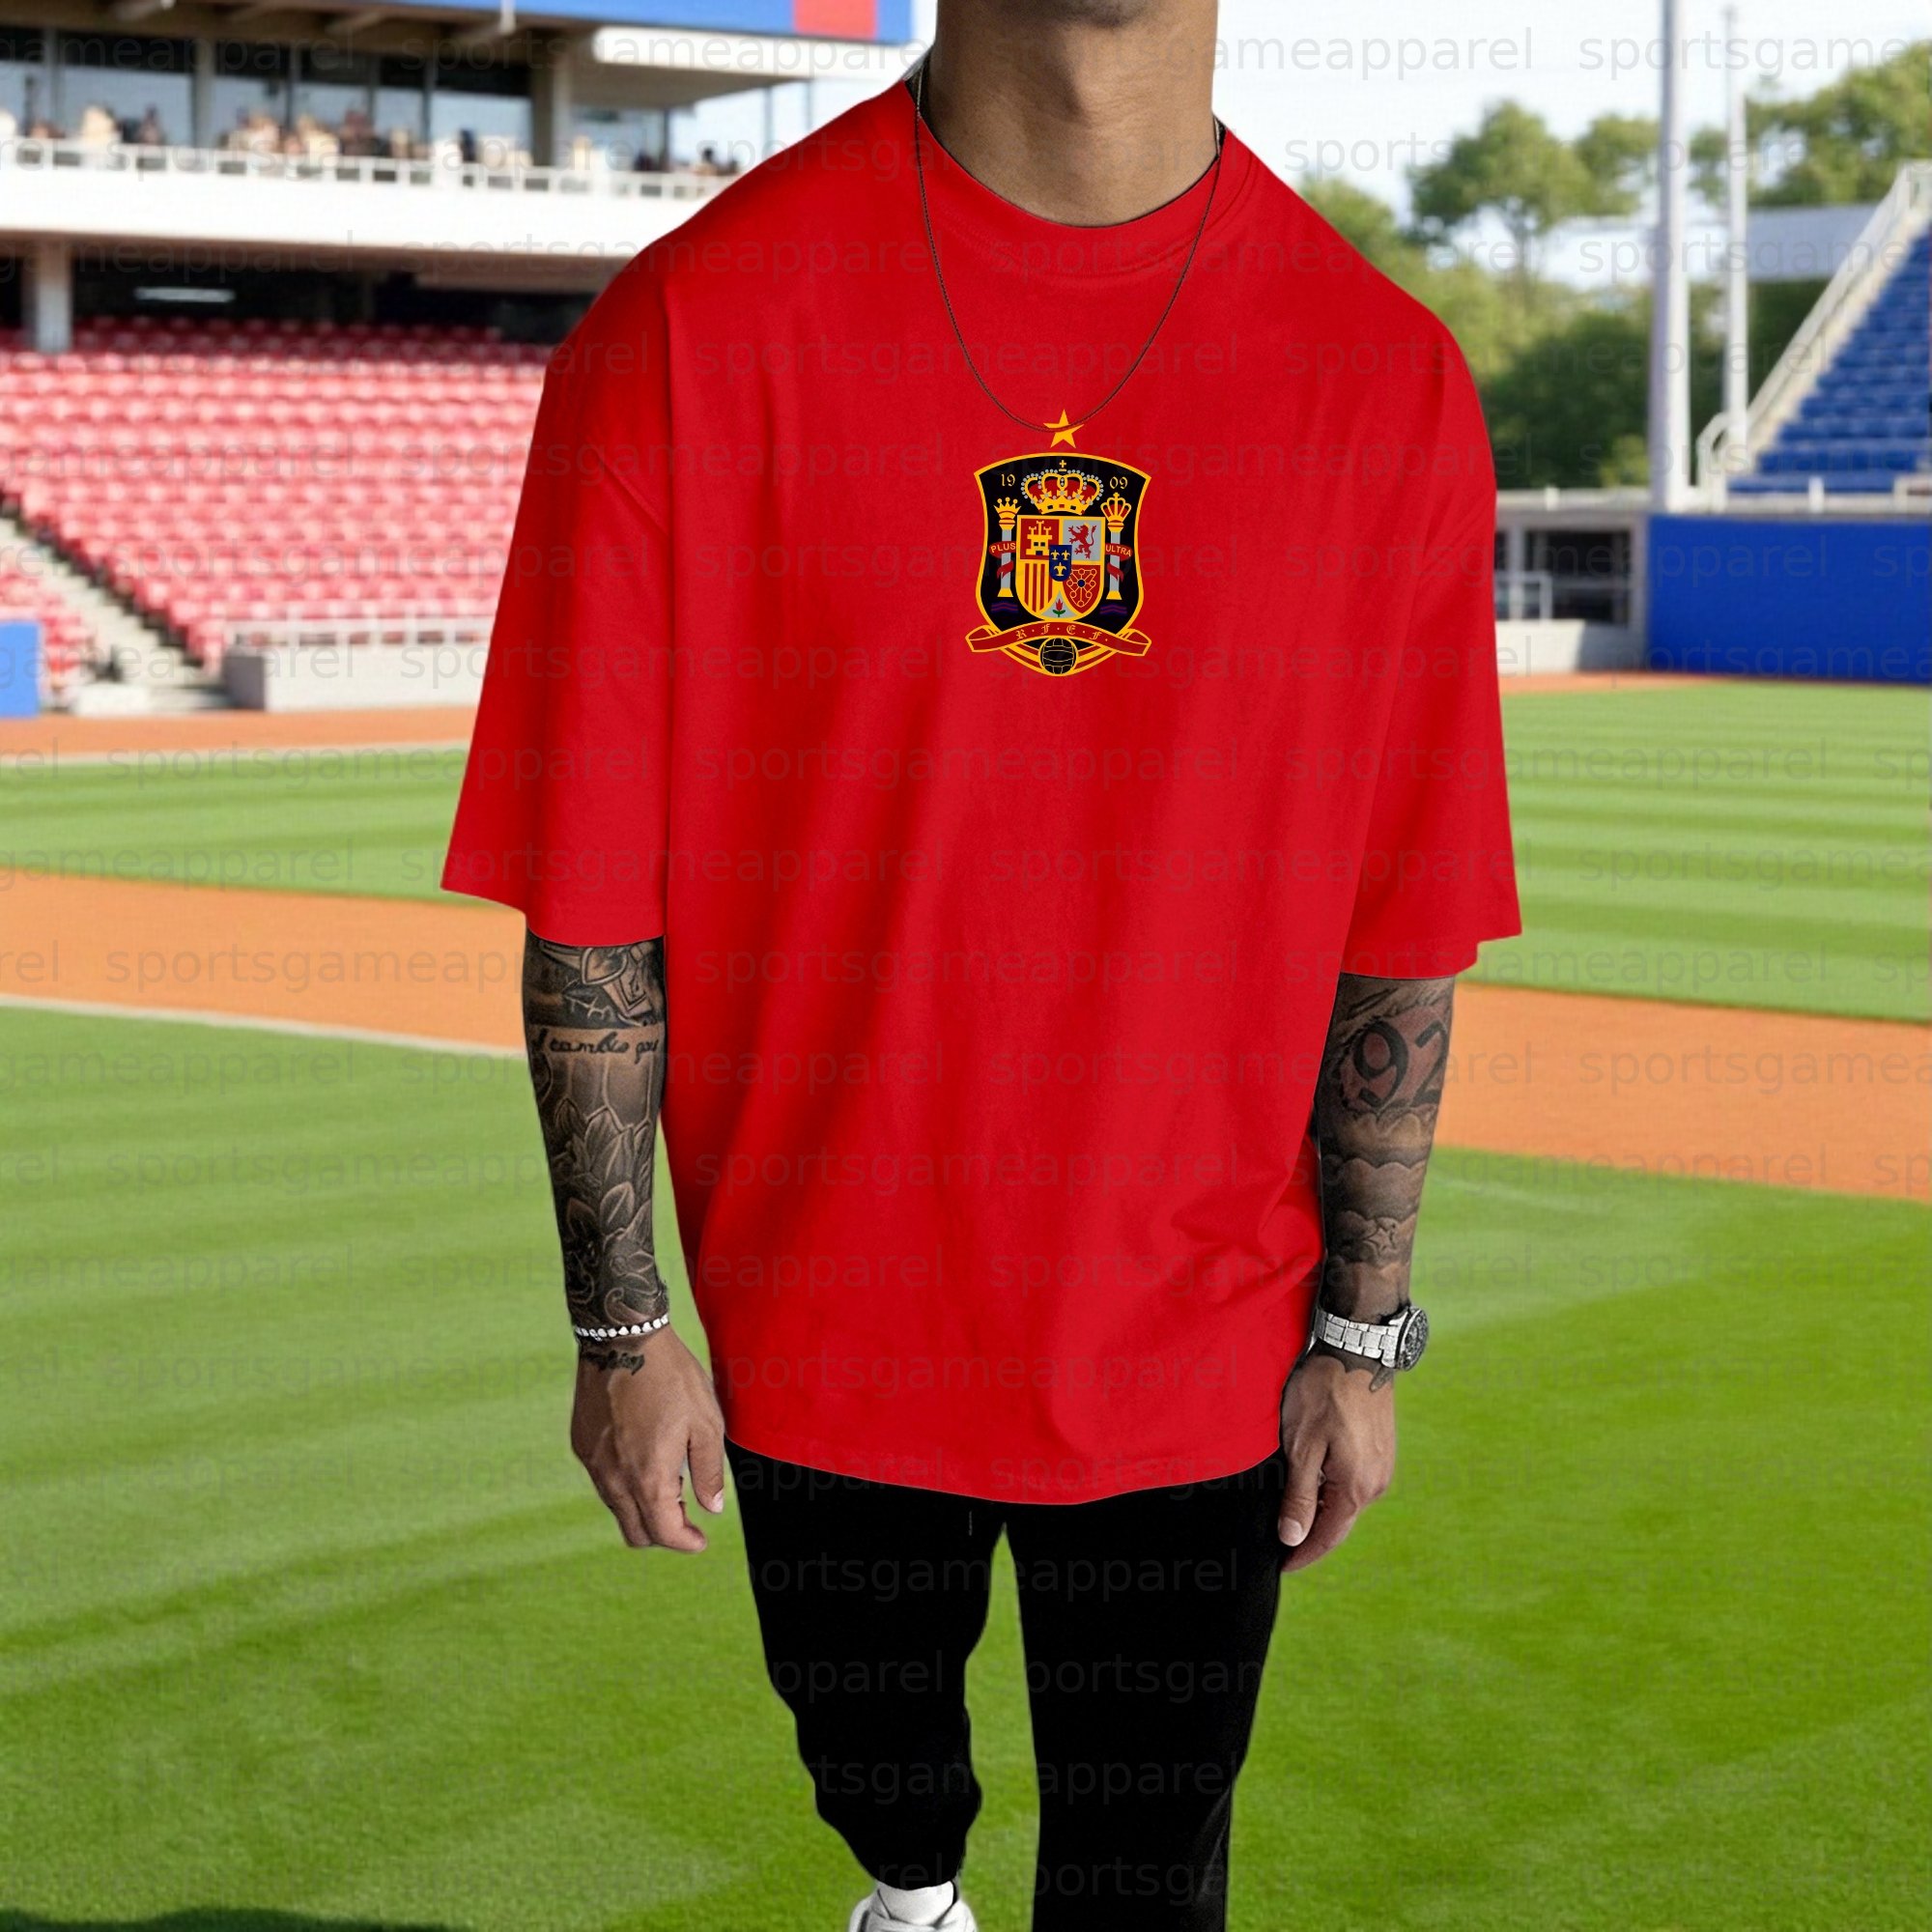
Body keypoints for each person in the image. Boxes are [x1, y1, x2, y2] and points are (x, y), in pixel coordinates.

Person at [443, 2, 1519, 1927]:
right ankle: (909, 1889)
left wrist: (1361, 1336)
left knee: (1145, 1872)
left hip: (1204, 1333)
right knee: (889, 1805)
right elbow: (593, 904)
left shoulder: (1387, 379)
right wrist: (622, 1328)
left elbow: (1401, 928)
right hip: (824, 1323)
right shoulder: (688, 331)